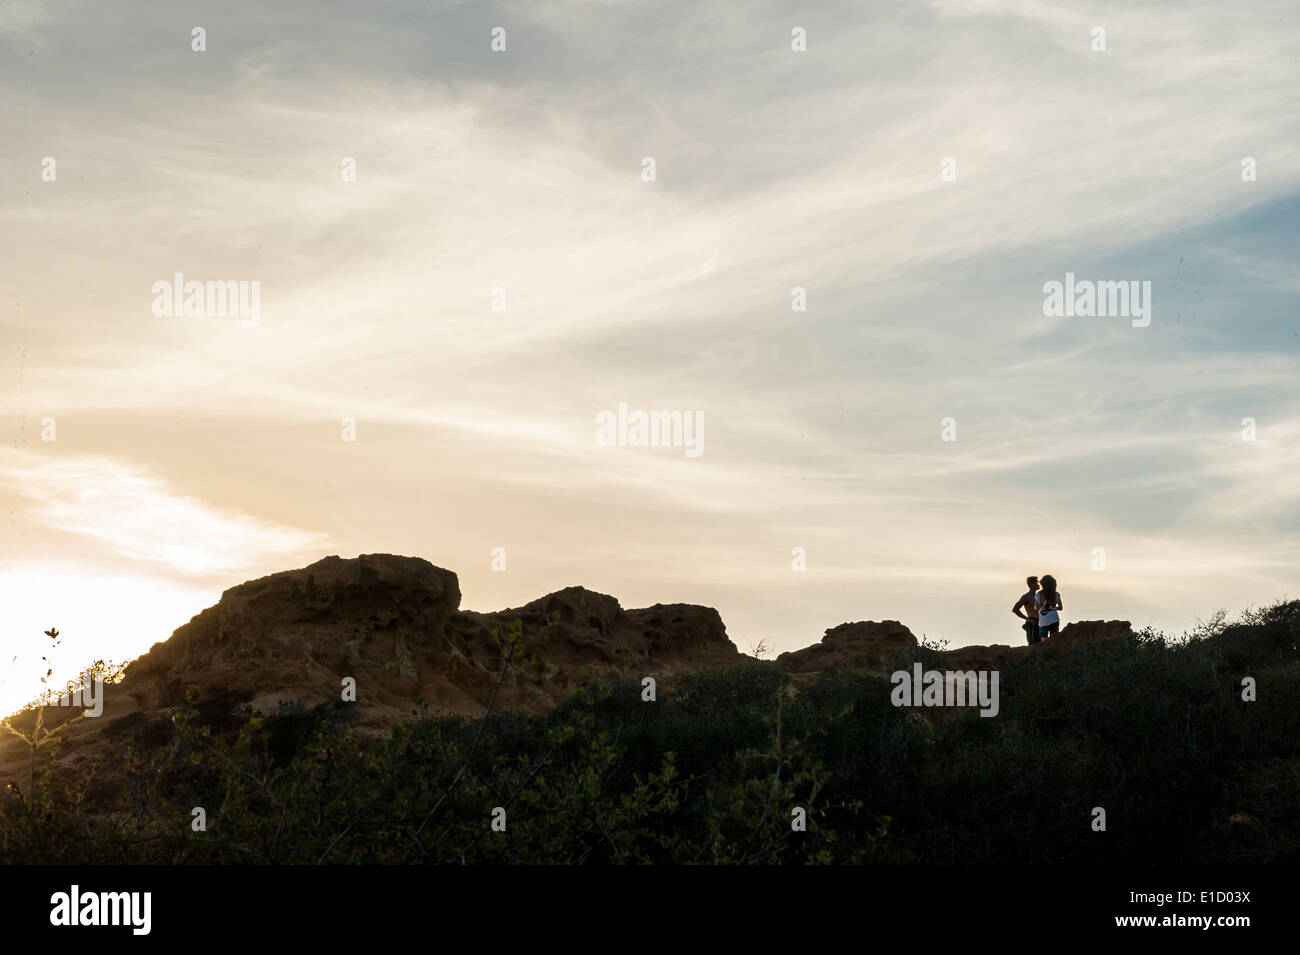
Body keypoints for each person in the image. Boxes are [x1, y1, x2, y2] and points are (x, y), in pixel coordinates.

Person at [1012, 576, 1040, 644]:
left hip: (1040, 621)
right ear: (1032, 584)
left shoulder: (1039, 596)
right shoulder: (1026, 597)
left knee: (1041, 643)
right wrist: (1028, 619)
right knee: (1032, 643)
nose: (1039, 584)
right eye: (1037, 582)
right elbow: (1015, 609)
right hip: (1032, 621)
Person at [1036, 574, 1062, 640]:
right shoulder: (1056, 594)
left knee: (1043, 641)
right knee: (1054, 640)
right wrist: (1052, 608)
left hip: (1043, 620)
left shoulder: (1038, 595)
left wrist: (1043, 608)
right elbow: (1061, 607)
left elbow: (1037, 609)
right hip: (1054, 619)